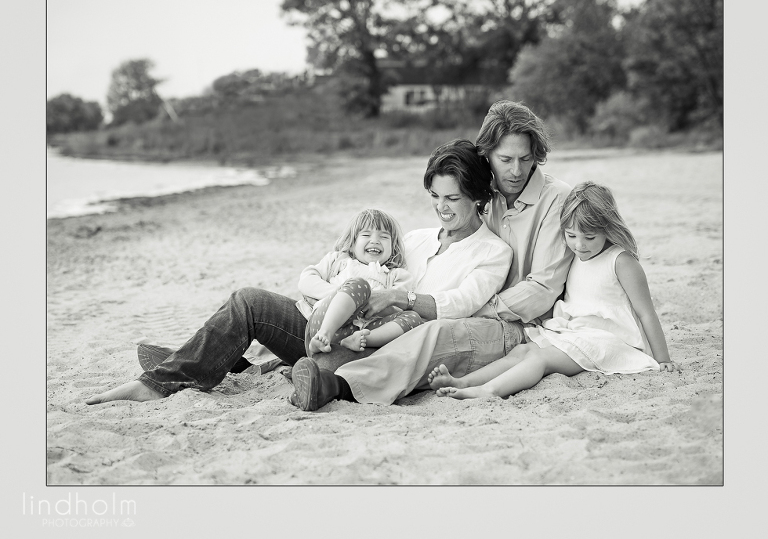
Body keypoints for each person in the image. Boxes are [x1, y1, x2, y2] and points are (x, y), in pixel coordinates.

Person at [85, 139, 512, 405]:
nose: (441, 208)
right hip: (335, 325)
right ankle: (180, 372)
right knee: (249, 300)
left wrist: (397, 299)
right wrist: (332, 291)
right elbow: (358, 262)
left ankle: (199, 365)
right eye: (435, 196)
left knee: (290, 337)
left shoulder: (492, 252)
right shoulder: (417, 238)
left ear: (477, 198)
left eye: (452, 199)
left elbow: (462, 304)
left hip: (377, 346)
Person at [289, 100, 575, 410]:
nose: (516, 170)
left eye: (526, 158)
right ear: (487, 157)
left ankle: (332, 384)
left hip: (508, 322)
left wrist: (476, 308)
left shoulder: (550, 202)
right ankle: (297, 362)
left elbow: (542, 288)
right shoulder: (477, 199)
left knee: (431, 331)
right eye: (505, 159)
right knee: (253, 304)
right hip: (404, 322)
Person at [428, 181, 679, 400]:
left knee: (541, 360)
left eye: (589, 238)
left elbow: (646, 312)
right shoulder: (575, 255)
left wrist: (663, 359)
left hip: (608, 341)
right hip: (574, 332)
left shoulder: (621, 261)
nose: (579, 245)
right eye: (571, 235)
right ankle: (464, 382)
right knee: (523, 351)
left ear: (607, 228)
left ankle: (490, 390)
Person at [299, 208, 421, 356]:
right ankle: (324, 335)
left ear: (393, 247)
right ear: (352, 243)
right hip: (325, 322)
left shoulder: (397, 275)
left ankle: (363, 340)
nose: (375, 240)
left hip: (365, 328)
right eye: (366, 234)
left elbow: (396, 307)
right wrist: (343, 295)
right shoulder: (339, 260)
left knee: (414, 318)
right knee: (359, 285)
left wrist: (366, 304)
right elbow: (306, 280)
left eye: (383, 237)